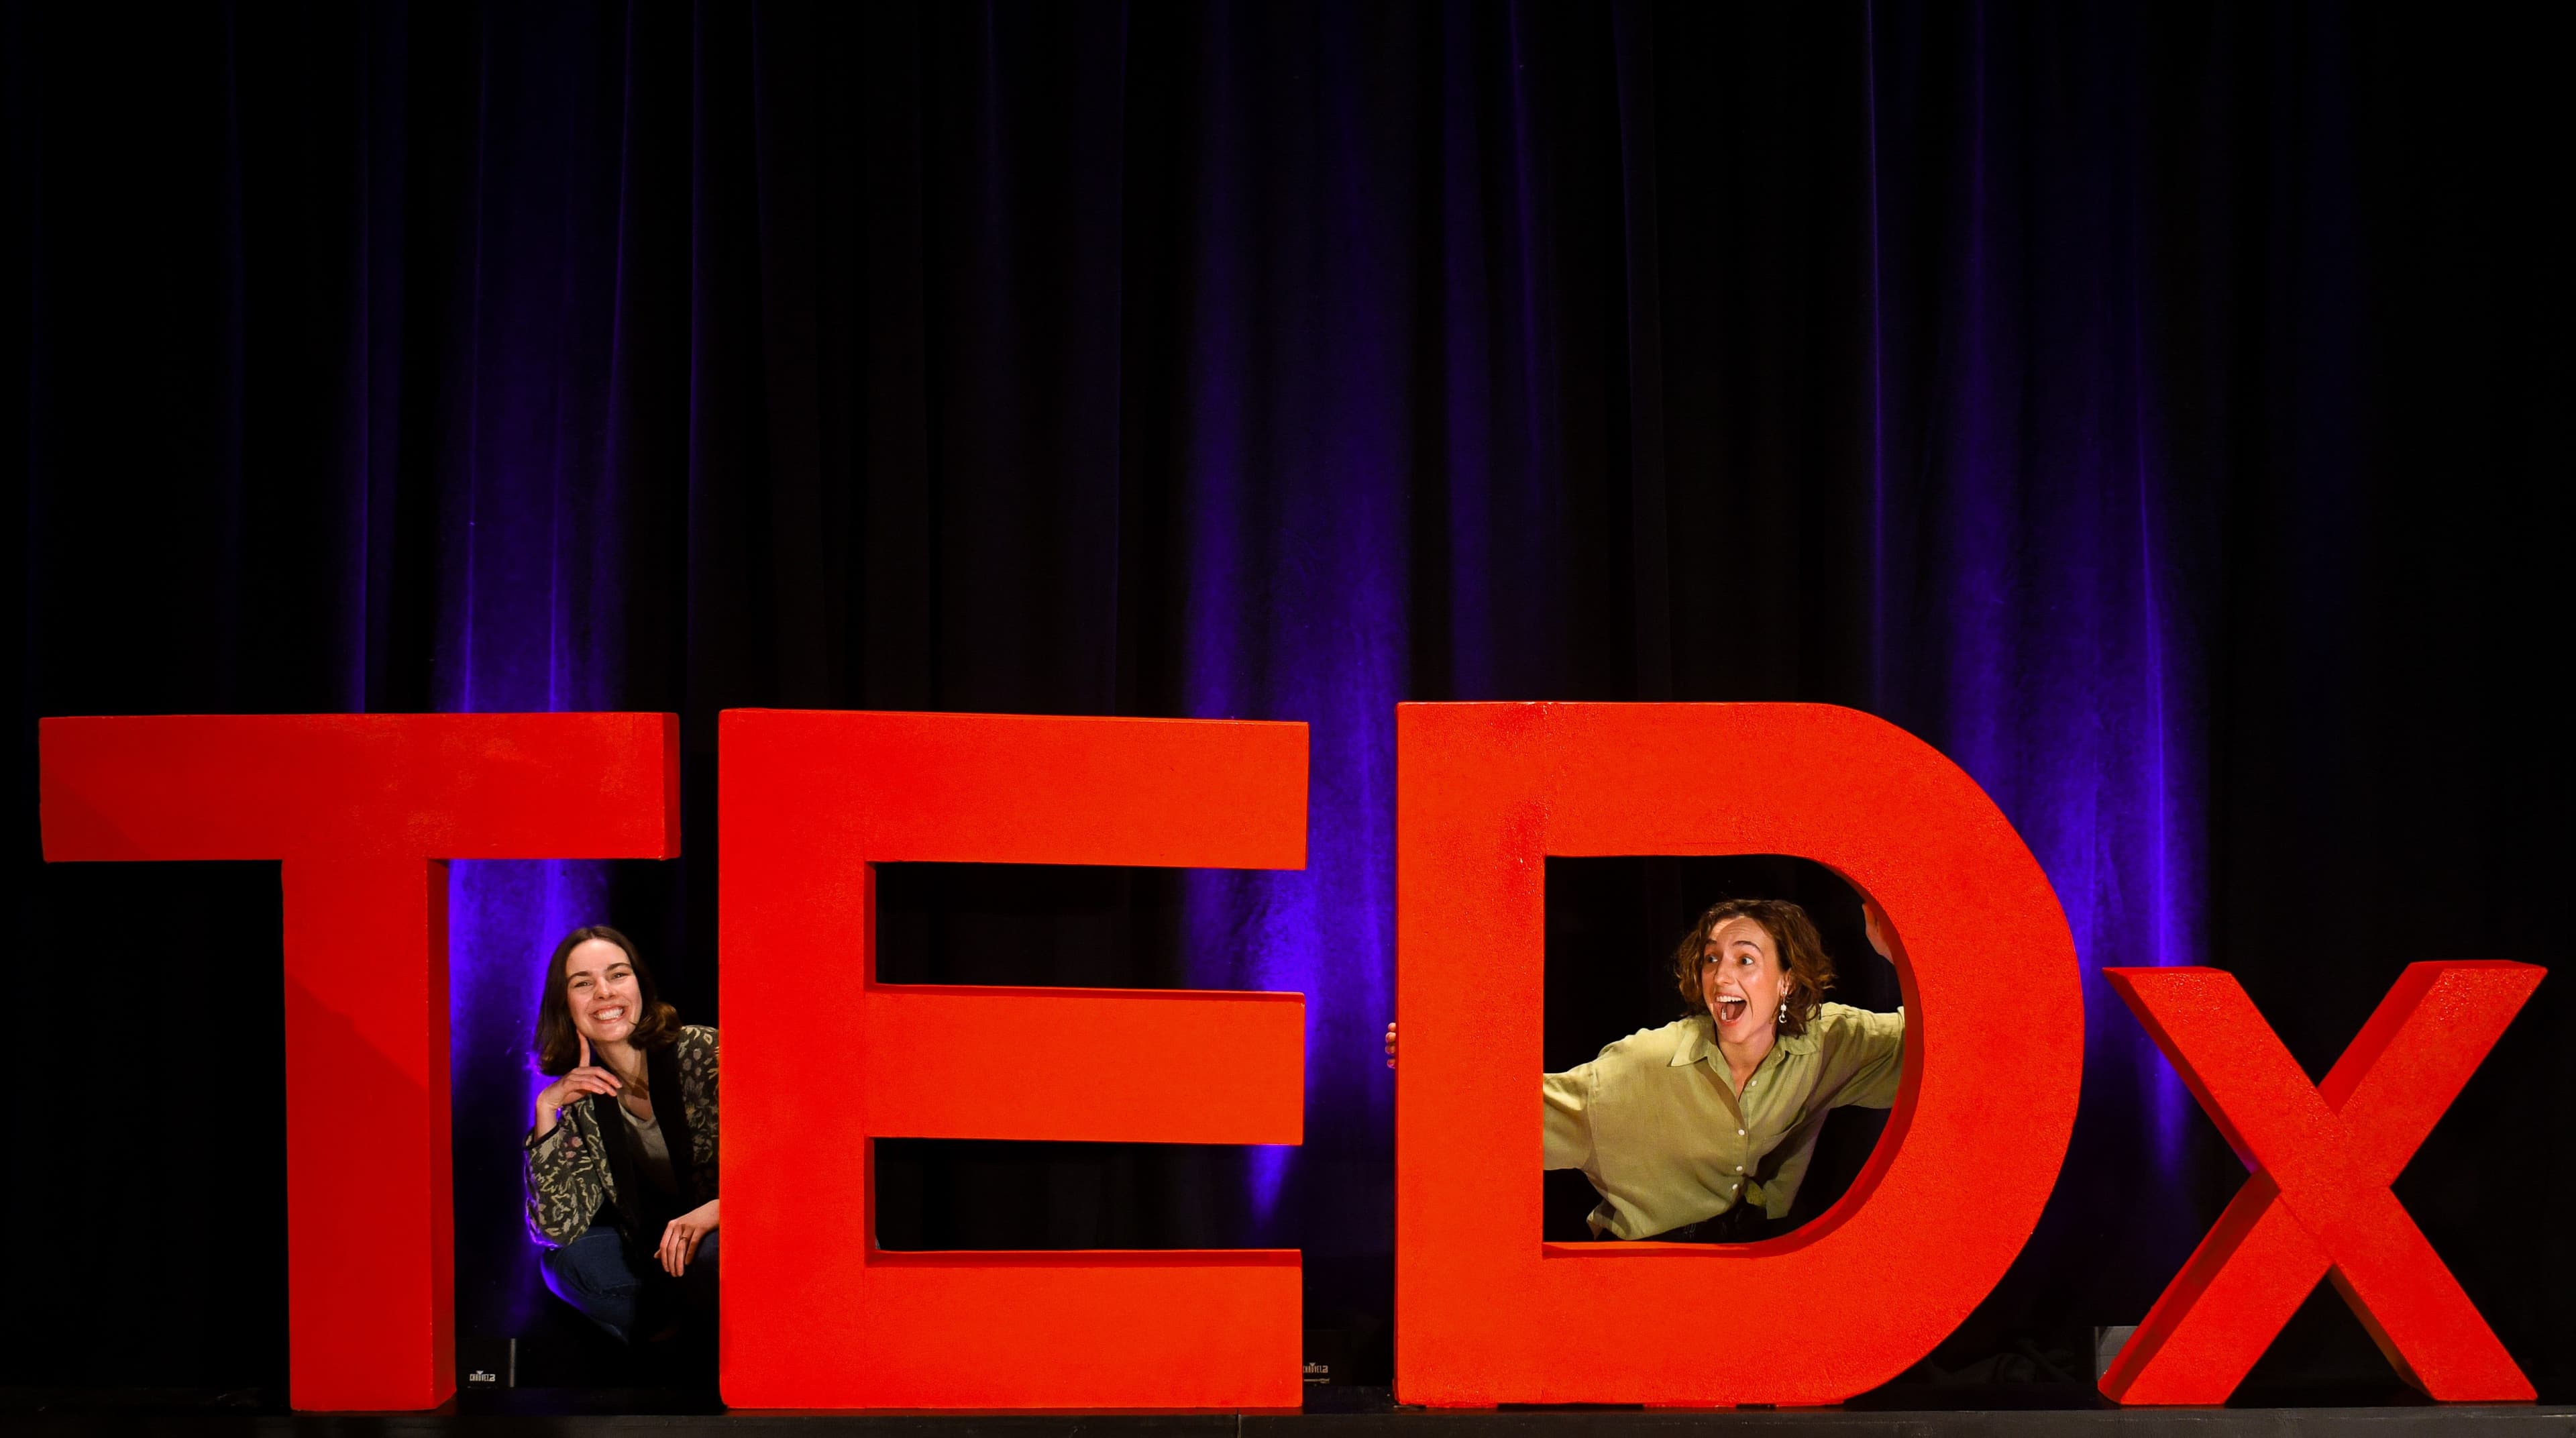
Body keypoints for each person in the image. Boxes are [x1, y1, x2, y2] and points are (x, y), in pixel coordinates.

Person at [1385, 896, 1901, 1243]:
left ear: (1788, 980)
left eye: (1745, 959)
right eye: (1710, 958)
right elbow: (1510, 1115)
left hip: (1759, 1285)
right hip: (1639, 1291)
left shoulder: (1831, 1042)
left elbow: (1946, 1046)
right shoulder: (1639, 1068)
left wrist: (1897, 950)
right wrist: (1434, 1065)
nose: (1721, 974)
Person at [524, 925, 720, 1343]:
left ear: (640, 986)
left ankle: (700, 1345)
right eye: (583, 983)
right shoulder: (582, 1097)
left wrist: (721, 1210)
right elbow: (555, 1231)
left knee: (710, 1255)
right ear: (565, 1004)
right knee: (567, 1264)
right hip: (662, 1248)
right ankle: (679, 1341)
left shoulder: (701, 1052)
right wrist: (546, 1110)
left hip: (737, 1233)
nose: (604, 992)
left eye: (617, 975)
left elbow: (792, 1163)